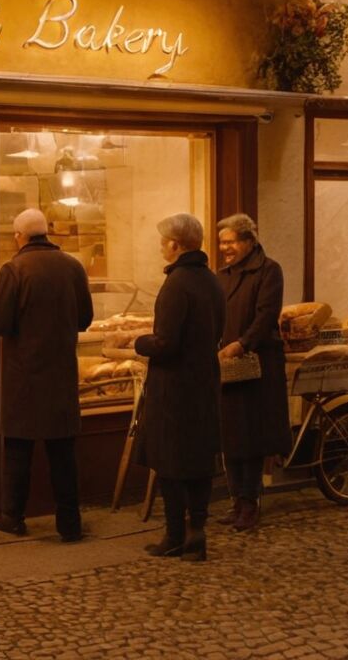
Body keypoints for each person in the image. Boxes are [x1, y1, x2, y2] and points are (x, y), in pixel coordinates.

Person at [0, 208, 94, 542]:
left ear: (20, 236)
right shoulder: (73, 267)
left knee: (18, 448)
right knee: (62, 452)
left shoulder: (13, 269)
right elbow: (85, 318)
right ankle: (70, 523)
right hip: (61, 372)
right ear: (45, 234)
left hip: (23, 375)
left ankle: (13, 516)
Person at [133, 213, 225, 562]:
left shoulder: (177, 284)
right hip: (203, 382)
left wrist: (139, 342)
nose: (160, 246)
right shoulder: (211, 281)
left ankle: (174, 535)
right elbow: (218, 332)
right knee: (198, 461)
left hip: (173, 389)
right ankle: (196, 532)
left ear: (176, 244)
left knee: (169, 463)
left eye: (163, 241)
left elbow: (166, 342)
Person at [215, 212, 291, 532]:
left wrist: (241, 344)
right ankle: (237, 500)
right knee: (231, 436)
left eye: (230, 242)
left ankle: (251, 502)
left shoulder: (269, 271)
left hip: (257, 365)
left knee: (252, 437)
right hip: (229, 368)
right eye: (221, 243)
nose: (224, 248)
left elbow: (265, 316)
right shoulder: (223, 276)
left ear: (248, 241)